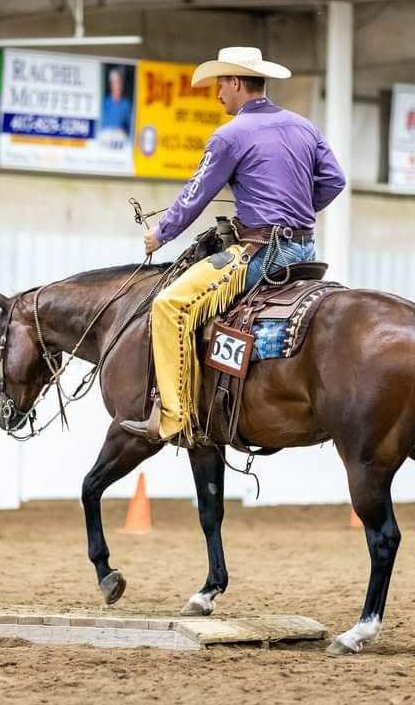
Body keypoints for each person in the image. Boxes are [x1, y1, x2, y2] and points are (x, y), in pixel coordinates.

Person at [120, 47, 346, 445]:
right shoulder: (305, 127)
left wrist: (161, 233)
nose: (218, 92)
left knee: (168, 306)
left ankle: (173, 418)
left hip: (260, 253)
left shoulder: (229, 136)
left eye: (221, 83)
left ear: (237, 82)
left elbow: (196, 194)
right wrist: (297, 211)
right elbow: (334, 180)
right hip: (305, 252)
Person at [100, 67, 132, 135]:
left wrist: (124, 131)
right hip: (105, 137)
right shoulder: (104, 103)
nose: (117, 86)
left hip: (120, 137)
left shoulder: (126, 104)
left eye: (119, 82)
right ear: (111, 85)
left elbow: (130, 126)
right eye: (114, 82)